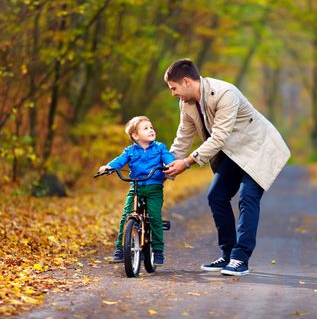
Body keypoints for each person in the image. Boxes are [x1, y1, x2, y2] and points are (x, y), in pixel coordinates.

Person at [163, 59, 290, 276]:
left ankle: (241, 259)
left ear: (186, 81)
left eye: (173, 88)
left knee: (247, 197)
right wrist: (165, 169)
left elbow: (219, 137)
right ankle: (228, 254)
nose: (173, 93)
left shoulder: (225, 93)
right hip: (235, 152)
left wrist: (187, 163)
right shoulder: (186, 103)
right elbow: (183, 137)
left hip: (259, 148)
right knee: (216, 196)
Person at [98, 116, 175, 264]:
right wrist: (109, 167)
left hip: (154, 188)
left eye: (151, 127)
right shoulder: (130, 151)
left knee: (154, 216)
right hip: (136, 187)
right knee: (126, 216)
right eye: (145, 128)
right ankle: (120, 249)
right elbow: (120, 161)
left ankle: (158, 250)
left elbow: (168, 157)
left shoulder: (160, 148)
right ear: (135, 135)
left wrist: (170, 164)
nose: (151, 130)